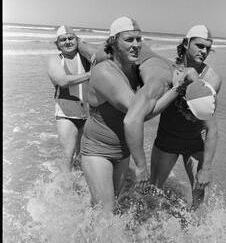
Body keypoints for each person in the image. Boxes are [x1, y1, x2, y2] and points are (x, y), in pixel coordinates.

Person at [80, 16, 190, 212]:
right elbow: (139, 114)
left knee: (111, 208)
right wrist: (177, 89)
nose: (136, 45)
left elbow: (158, 67)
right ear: (113, 42)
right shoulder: (104, 72)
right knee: (105, 212)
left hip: (122, 152)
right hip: (97, 150)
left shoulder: (135, 69)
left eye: (139, 39)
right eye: (129, 40)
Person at [124, 24, 222, 210]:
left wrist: (206, 169)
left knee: (200, 194)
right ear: (186, 44)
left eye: (208, 48)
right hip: (167, 140)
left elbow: (212, 128)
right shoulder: (169, 71)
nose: (204, 51)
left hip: (194, 142)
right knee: (152, 191)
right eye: (199, 46)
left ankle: (194, 232)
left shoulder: (212, 79)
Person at [47, 25, 94, 172]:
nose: (67, 42)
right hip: (66, 113)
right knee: (68, 153)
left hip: (88, 113)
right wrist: (89, 74)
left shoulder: (86, 58)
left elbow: (101, 55)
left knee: (84, 154)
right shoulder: (54, 60)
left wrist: (84, 45)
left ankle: (81, 183)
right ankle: (66, 189)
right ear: (57, 44)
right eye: (62, 40)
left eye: (71, 38)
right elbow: (62, 81)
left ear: (77, 40)